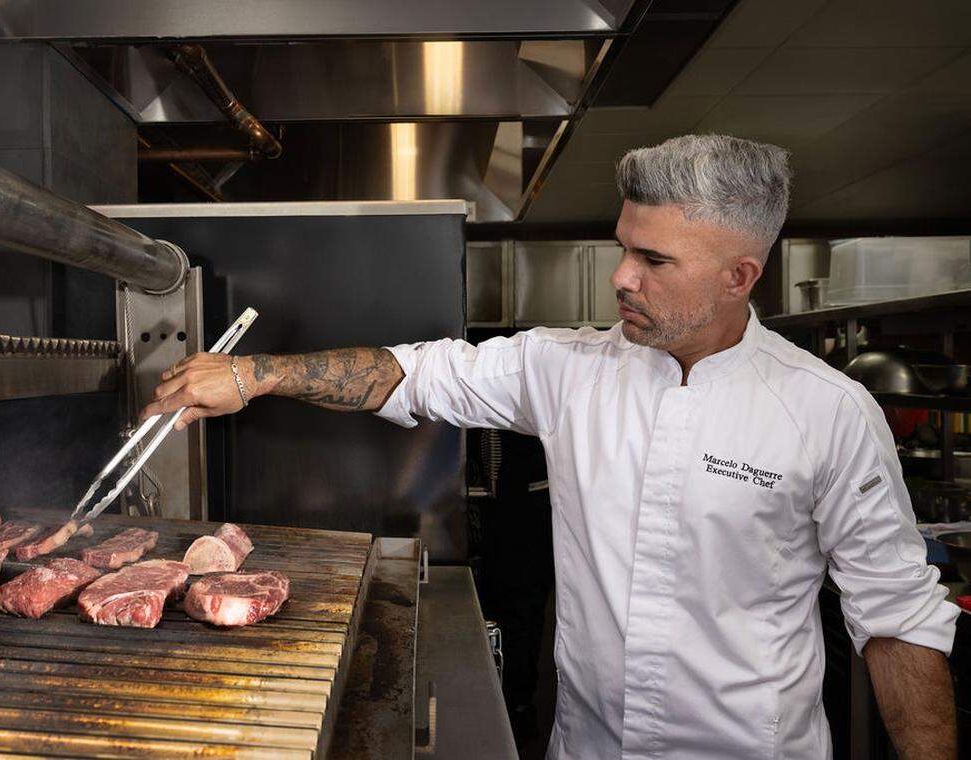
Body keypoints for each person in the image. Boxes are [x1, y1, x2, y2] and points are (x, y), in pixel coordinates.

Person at [141, 135, 959, 759]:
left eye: (653, 260)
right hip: (587, 745)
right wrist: (253, 374)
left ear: (738, 277)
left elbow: (897, 623)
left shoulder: (827, 412)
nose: (621, 278)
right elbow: (413, 375)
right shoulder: (570, 367)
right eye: (623, 247)